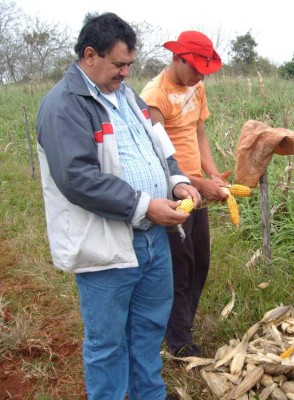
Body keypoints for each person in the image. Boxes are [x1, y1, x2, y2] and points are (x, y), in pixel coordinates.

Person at [36, 12, 200, 400]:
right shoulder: (64, 105)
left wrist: (177, 180)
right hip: (106, 245)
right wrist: (145, 206)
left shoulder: (128, 97)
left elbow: (161, 148)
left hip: (152, 242)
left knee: (147, 332)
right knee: (107, 343)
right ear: (90, 55)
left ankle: (149, 394)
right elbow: (78, 177)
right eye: (119, 64)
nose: (127, 73)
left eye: (130, 64)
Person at [140, 31, 229, 358]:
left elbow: (199, 134)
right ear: (177, 59)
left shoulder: (198, 87)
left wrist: (212, 173)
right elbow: (156, 159)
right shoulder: (155, 96)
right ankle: (179, 342)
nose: (199, 76)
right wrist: (195, 182)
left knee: (200, 261)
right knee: (180, 266)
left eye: (205, 70)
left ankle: (181, 325)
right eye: (194, 68)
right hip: (172, 191)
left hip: (198, 192)